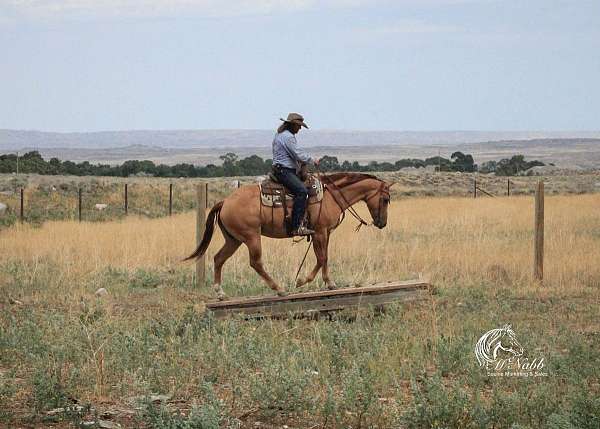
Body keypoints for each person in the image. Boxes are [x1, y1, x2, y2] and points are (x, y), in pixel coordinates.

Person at [271, 113, 320, 236]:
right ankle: (297, 226)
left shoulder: (280, 135)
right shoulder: (288, 137)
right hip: (285, 171)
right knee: (302, 191)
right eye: (298, 126)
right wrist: (312, 160)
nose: (300, 128)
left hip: (280, 169)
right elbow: (297, 154)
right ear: (292, 125)